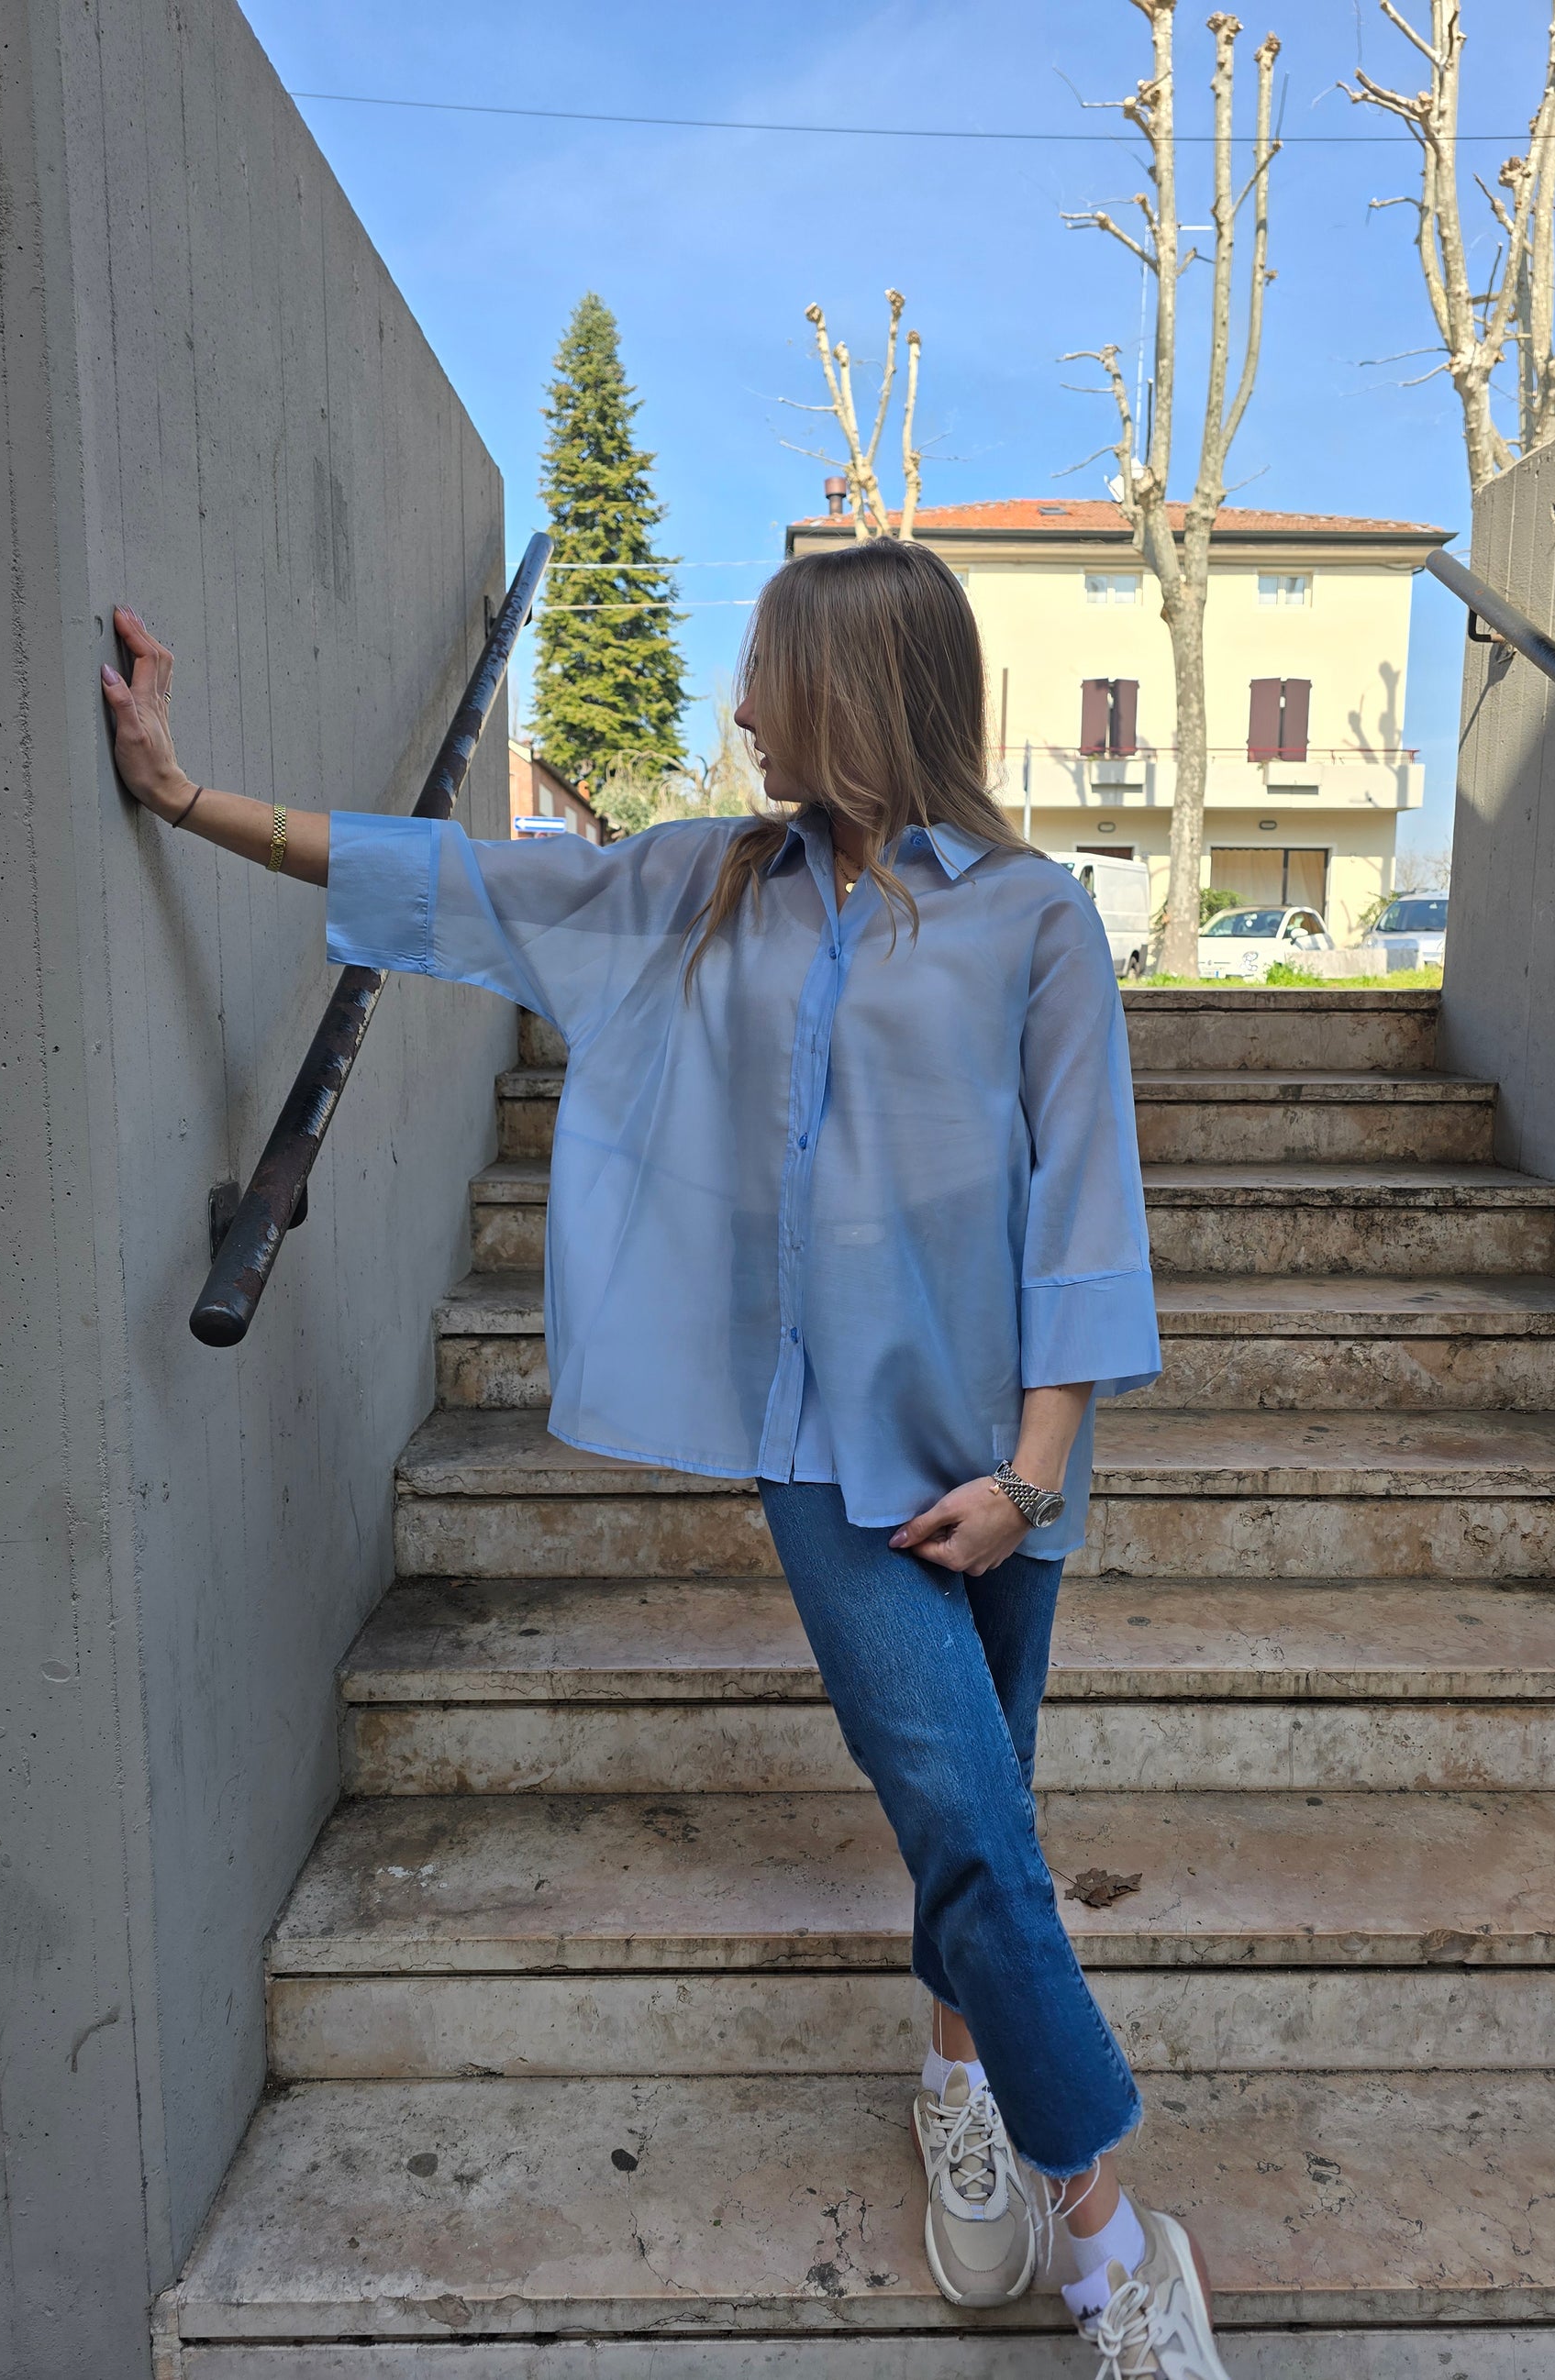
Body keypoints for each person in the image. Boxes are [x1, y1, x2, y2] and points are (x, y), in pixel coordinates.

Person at [102, 537, 1228, 2377]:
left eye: (767, 670)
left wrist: (1030, 1475)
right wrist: (182, 793)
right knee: (958, 1805)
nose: (740, 705)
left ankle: (957, 2073)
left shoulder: (1031, 917)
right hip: (821, 1444)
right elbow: (453, 881)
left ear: (854, 688)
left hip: (1002, 1447)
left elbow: (1086, 1212)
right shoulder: (707, 883)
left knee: (981, 1812)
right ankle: (1111, 2234)